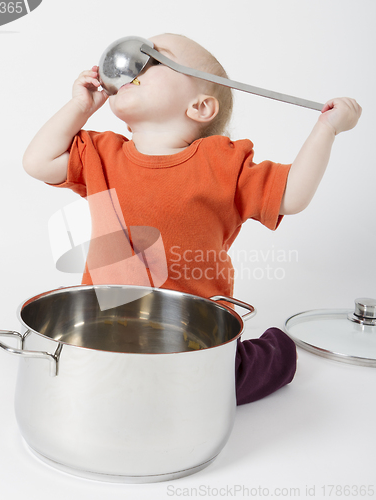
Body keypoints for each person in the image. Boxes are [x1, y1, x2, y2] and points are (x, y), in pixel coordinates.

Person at [22, 33, 361, 405]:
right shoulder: (102, 152)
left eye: (154, 59)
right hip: (107, 326)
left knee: (216, 388)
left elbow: (292, 195)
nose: (136, 64)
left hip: (193, 333)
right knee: (87, 379)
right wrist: (80, 107)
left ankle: (276, 353)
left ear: (200, 107)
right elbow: (37, 162)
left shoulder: (224, 162)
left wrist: (326, 130)